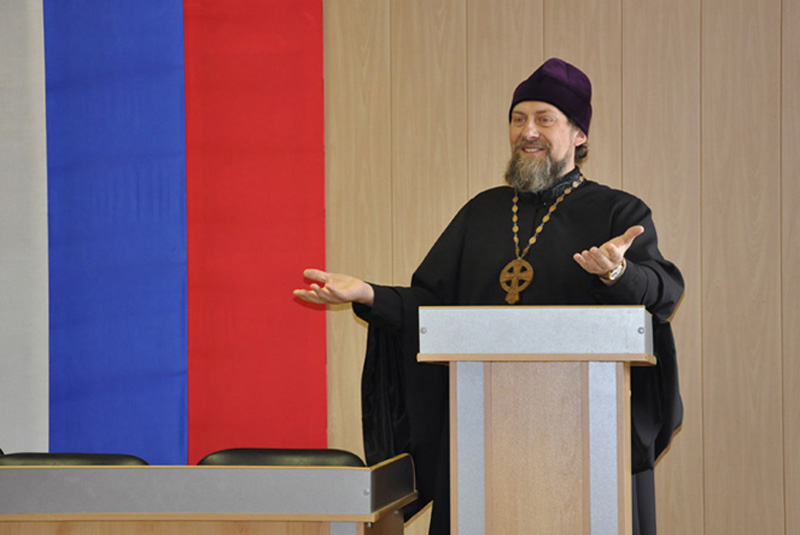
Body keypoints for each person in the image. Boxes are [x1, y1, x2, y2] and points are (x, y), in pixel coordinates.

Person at [294, 57, 683, 535]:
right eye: (518, 119)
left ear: (579, 134)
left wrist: (618, 273)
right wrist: (369, 294)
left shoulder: (617, 211)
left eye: (544, 119)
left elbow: (663, 290)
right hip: (481, 433)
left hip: (584, 435)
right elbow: (431, 308)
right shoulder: (481, 213)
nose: (528, 132)